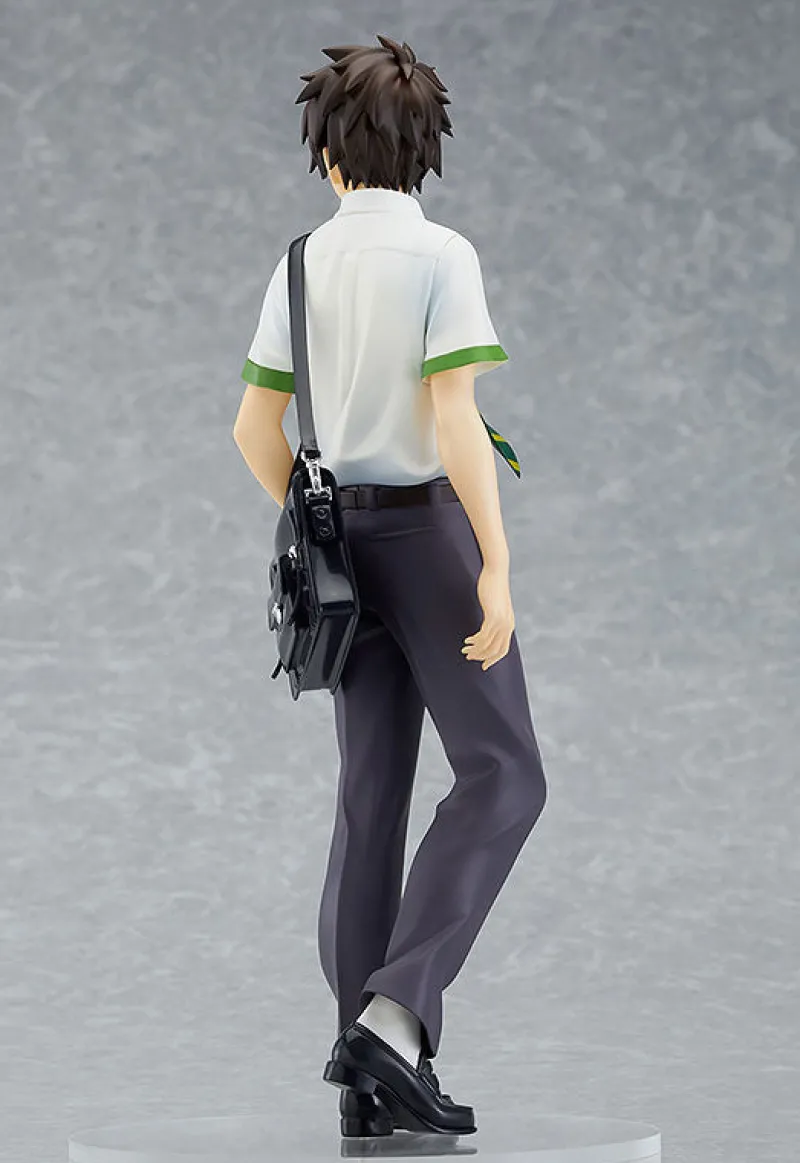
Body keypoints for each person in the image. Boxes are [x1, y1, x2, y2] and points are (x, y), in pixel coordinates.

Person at [232, 33, 547, 1139]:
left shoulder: (300, 263)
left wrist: (313, 522)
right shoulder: (441, 257)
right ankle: (393, 1017)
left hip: (339, 546)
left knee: (371, 797)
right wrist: (495, 560)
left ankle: (364, 1077)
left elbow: (253, 427)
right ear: (424, 151)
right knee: (505, 773)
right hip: (425, 533)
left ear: (327, 153)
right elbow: (453, 417)